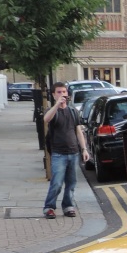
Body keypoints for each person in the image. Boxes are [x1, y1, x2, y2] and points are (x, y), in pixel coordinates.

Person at [42, 81, 89, 218]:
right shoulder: (53, 111)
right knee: (56, 183)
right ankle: (49, 207)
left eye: (64, 92)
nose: (62, 94)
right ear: (53, 95)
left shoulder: (73, 111)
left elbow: (78, 131)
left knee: (71, 183)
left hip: (73, 152)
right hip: (58, 154)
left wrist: (84, 149)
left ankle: (68, 206)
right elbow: (46, 119)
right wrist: (57, 104)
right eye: (59, 92)